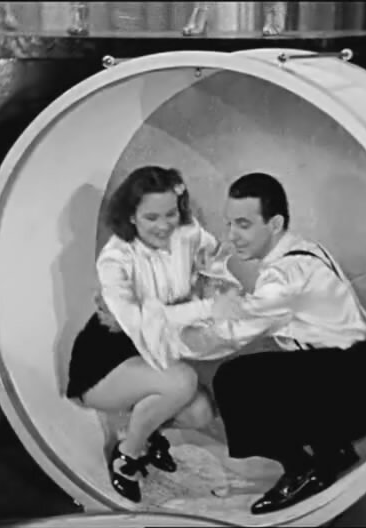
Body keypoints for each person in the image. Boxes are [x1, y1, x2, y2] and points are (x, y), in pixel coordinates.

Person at [179, 172, 366, 515]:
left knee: (235, 379)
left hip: (352, 395)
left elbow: (228, 335)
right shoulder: (303, 248)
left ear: (274, 224)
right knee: (277, 365)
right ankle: (333, 451)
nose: (232, 235)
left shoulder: (286, 275)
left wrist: (169, 338)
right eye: (229, 223)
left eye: (244, 224)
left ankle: (301, 470)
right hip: (355, 373)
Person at [65, 165, 237, 504]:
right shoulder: (115, 258)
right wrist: (206, 308)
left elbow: (213, 256)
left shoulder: (187, 232)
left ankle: (144, 435)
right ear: (131, 216)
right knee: (182, 381)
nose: (164, 225)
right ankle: (126, 457)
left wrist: (216, 282)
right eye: (151, 217)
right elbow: (141, 322)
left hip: (152, 354)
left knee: (200, 412)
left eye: (170, 214)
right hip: (104, 362)